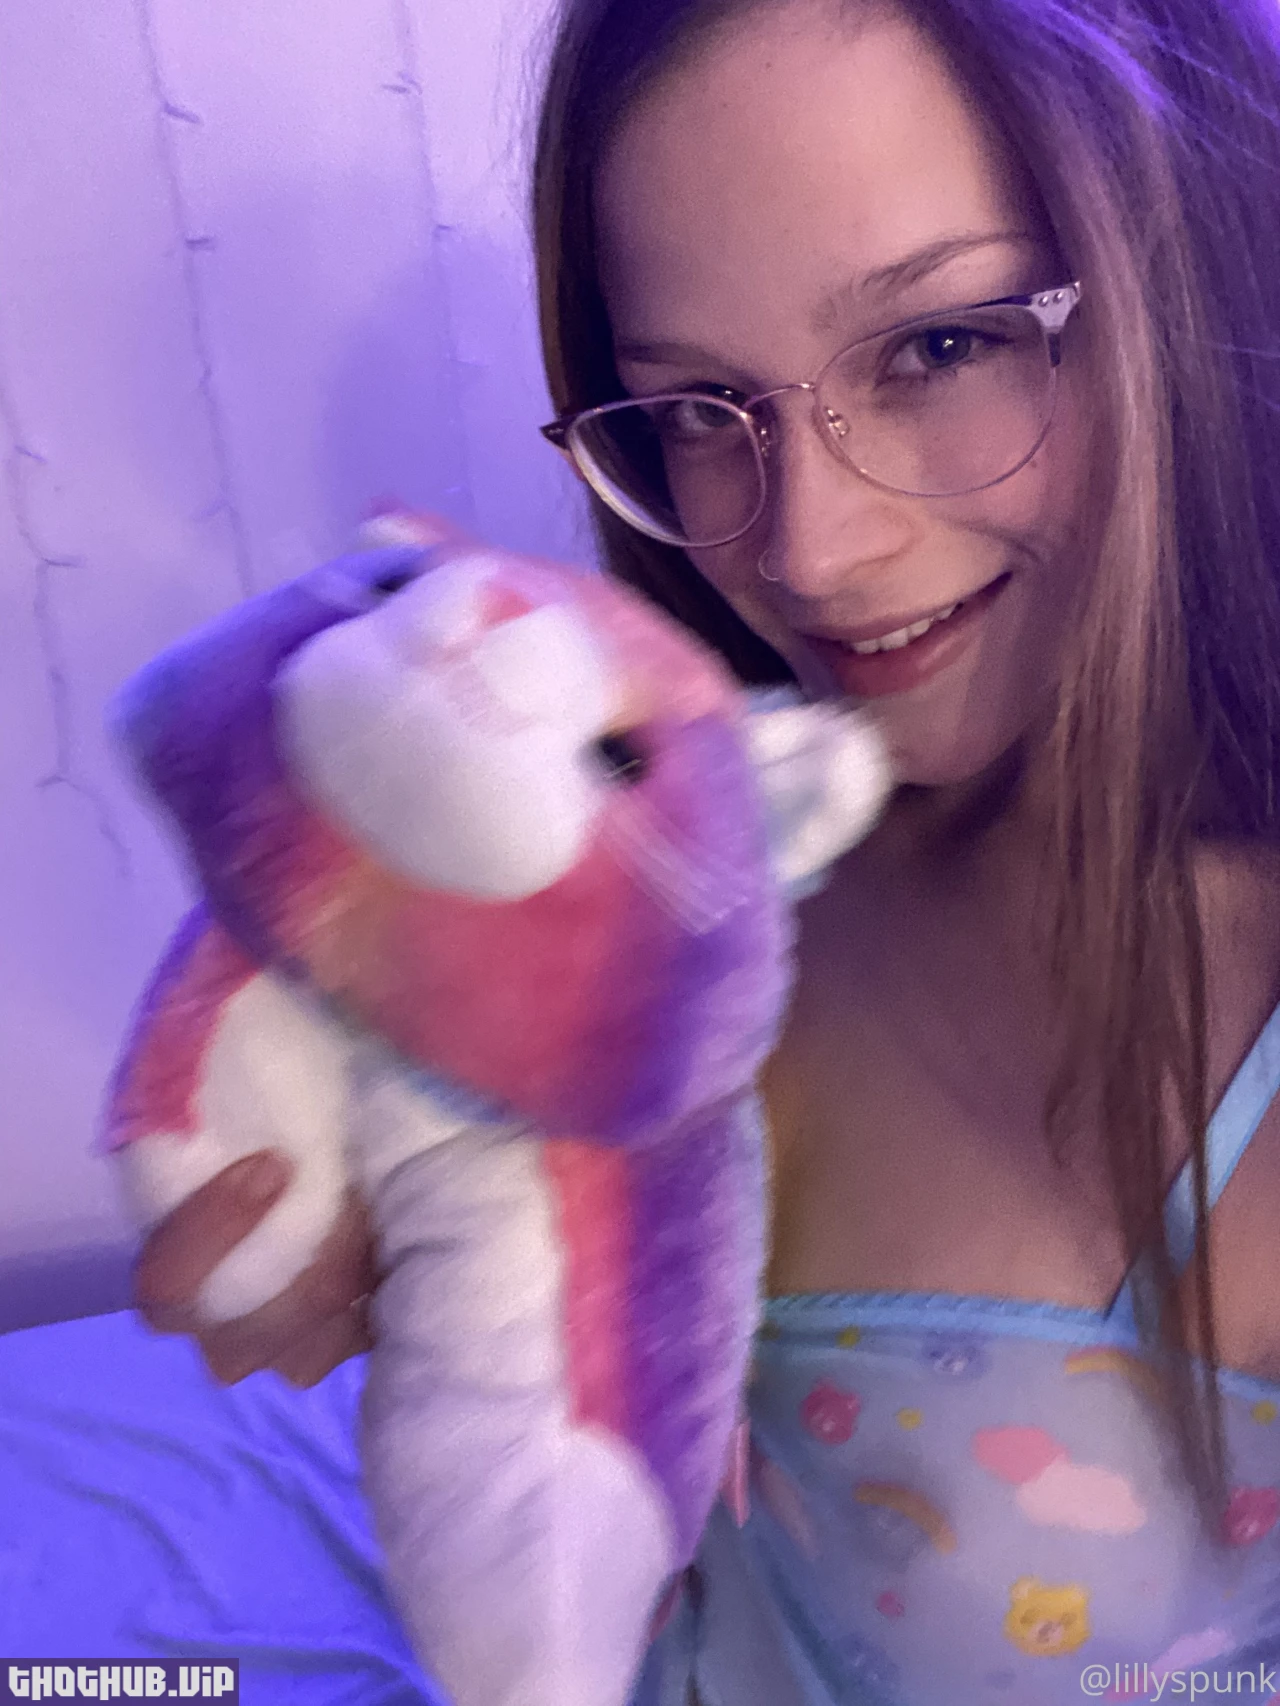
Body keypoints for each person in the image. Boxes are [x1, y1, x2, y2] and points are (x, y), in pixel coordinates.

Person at [134, 0, 1280, 1694]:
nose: (808, 549)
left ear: (1202, 276)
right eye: (693, 408)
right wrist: (391, 1251)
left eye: (941, 345)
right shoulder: (671, 878)